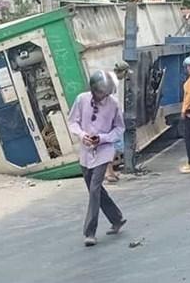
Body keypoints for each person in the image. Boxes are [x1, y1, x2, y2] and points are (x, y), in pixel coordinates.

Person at [68, 70, 126, 247]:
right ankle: (117, 218)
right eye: (101, 92)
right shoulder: (81, 100)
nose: (104, 96)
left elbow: (119, 129)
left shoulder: (114, 104)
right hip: (86, 152)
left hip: (104, 151)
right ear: (93, 90)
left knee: (94, 189)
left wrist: (103, 138)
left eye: (107, 93)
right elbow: (73, 122)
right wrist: (82, 135)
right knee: (96, 189)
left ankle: (89, 232)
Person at [105, 62, 130, 182]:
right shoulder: (112, 82)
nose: (126, 77)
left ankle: (110, 171)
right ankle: (108, 172)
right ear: (122, 72)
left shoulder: (110, 78)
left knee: (115, 145)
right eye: (125, 73)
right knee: (114, 145)